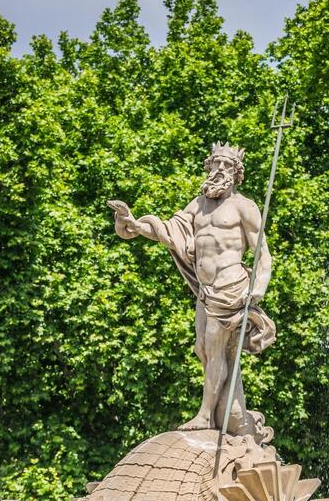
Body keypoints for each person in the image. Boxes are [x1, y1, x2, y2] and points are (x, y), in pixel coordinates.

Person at [109, 143, 275, 434]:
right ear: (208, 166)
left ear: (237, 174)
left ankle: (205, 415)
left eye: (227, 166)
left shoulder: (244, 206)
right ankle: (228, 413)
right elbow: (169, 232)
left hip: (230, 287)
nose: (220, 170)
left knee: (214, 350)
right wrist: (133, 223)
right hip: (205, 290)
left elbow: (262, 254)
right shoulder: (197, 206)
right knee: (202, 349)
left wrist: (258, 288)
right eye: (216, 164)